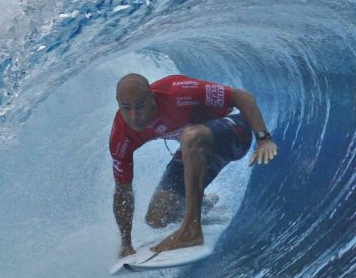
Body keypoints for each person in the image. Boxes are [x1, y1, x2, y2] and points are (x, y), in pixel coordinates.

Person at [111, 73, 277, 256]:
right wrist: (126, 244)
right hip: (196, 149)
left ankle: (191, 229)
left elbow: (241, 96)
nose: (134, 116)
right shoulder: (121, 134)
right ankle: (203, 207)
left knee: (190, 136)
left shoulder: (178, 91)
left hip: (234, 132)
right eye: (126, 108)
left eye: (140, 106)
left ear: (152, 98)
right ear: (118, 103)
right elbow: (122, 191)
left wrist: (264, 139)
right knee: (157, 217)